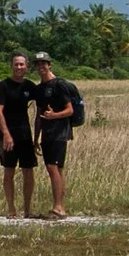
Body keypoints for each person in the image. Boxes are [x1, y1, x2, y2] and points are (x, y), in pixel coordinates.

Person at [32, 52, 82, 220]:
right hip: (47, 133)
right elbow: (39, 115)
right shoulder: (39, 89)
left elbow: (70, 110)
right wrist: (35, 137)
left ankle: (59, 207)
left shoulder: (59, 85)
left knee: (53, 168)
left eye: (43, 63)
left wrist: (54, 116)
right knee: (56, 169)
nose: (41, 67)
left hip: (60, 132)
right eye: (38, 64)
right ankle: (59, 206)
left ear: (50, 64)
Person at [0, 52, 39, 219]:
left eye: (22, 64)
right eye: (16, 64)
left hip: (25, 135)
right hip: (7, 135)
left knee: (28, 171)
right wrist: (6, 134)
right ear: (11, 66)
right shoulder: (2, 86)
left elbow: (42, 102)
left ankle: (27, 209)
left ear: (26, 66)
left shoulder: (29, 86)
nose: (19, 67)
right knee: (9, 171)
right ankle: (11, 209)